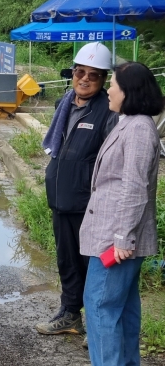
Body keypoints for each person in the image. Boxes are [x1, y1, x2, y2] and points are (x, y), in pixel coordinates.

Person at [80, 62, 162, 366]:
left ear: (129, 91)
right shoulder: (128, 122)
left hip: (117, 240)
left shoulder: (139, 128)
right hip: (114, 236)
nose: (108, 89)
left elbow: (134, 188)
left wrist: (123, 238)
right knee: (123, 307)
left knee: (100, 307)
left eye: (113, 84)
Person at [36, 42, 119, 336]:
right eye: (79, 72)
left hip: (88, 203)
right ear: (72, 73)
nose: (84, 79)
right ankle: (70, 314)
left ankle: (99, 328)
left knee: (94, 268)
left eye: (93, 75)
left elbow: (111, 160)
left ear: (103, 80)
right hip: (60, 197)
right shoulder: (64, 103)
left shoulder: (108, 110)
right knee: (67, 261)